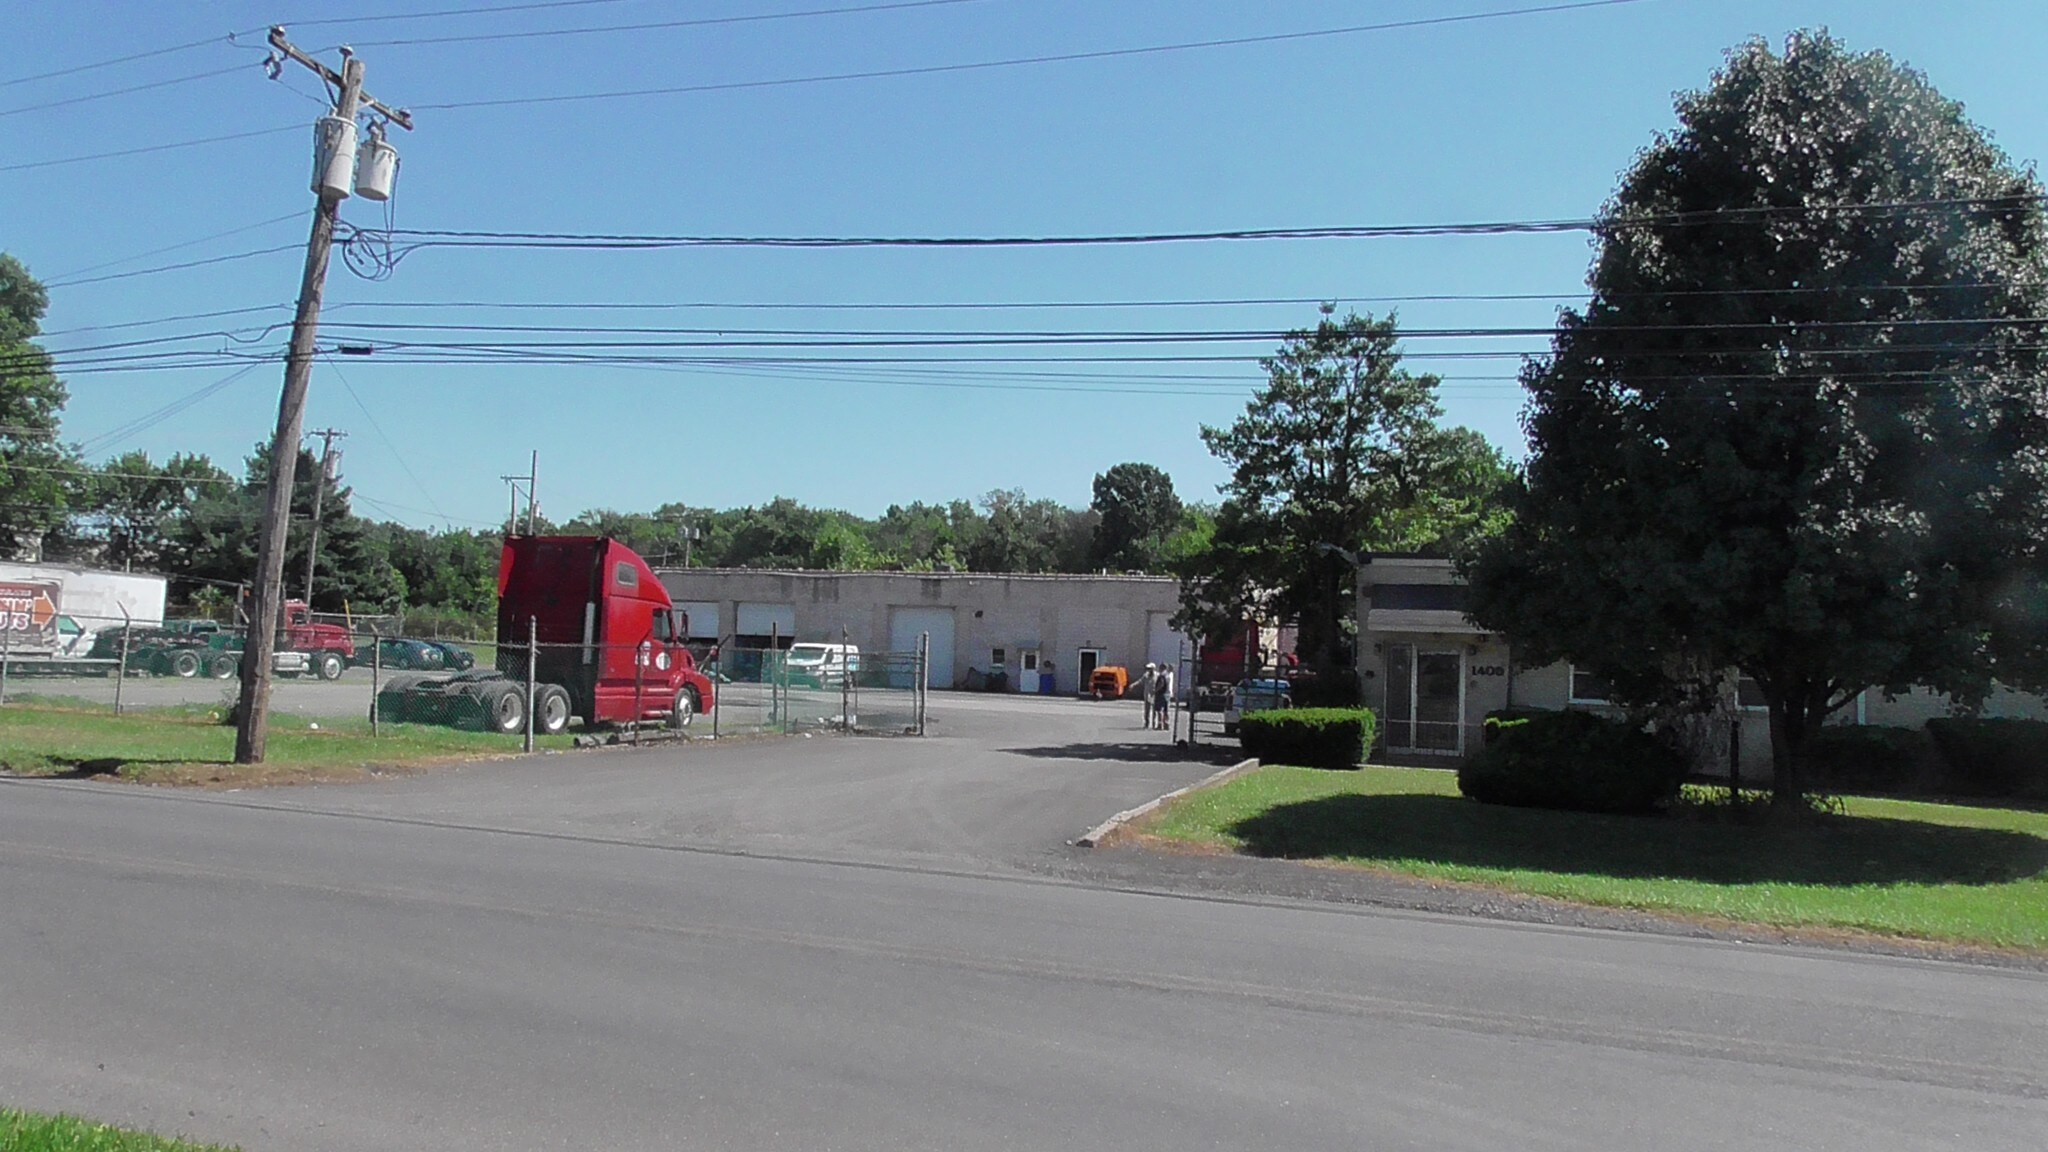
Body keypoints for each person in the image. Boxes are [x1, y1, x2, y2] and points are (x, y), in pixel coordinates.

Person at [1151, 663, 1174, 731]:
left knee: (1159, 710)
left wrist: (1155, 690)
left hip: (1161, 694)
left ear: (1162, 668)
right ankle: (1166, 724)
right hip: (1167, 694)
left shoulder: (1162, 675)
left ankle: (1160, 724)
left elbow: (1161, 684)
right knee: (1166, 710)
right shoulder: (1168, 675)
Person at [1137, 663, 1158, 727]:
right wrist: (1133, 685)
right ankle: (1146, 723)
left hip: (1154, 694)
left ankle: (1154, 723)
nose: (1148, 670)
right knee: (1147, 710)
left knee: (1155, 710)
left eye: (1150, 669)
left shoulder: (1157, 675)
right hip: (1147, 694)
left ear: (1153, 669)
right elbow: (1140, 681)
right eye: (1148, 669)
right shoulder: (1146, 675)